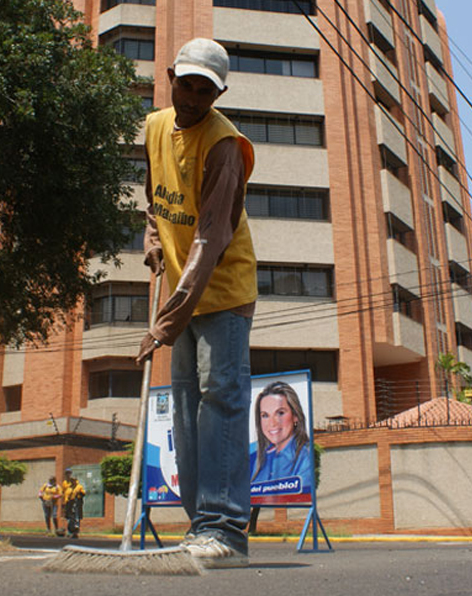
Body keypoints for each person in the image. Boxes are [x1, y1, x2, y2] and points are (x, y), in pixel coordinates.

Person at [135, 37, 256, 568]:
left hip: (222, 291)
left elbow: (210, 239)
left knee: (220, 400)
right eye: (186, 84)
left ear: (219, 92)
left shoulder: (225, 145)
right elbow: (154, 193)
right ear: (169, 77)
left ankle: (226, 529)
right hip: (183, 288)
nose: (192, 97)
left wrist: (165, 324)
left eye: (205, 89)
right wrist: (154, 239)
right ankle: (199, 527)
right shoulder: (155, 126)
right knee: (185, 408)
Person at [250, 382, 312, 486]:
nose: (272, 423)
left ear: (295, 416)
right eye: (265, 415)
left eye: (280, 413)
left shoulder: (306, 457)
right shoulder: (256, 458)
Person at [60, 469, 86, 538]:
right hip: (69, 503)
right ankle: (70, 530)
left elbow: (83, 493)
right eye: (71, 480)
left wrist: (79, 495)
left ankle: (75, 530)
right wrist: (64, 502)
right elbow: (64, 494)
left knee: (76, 516)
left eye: (73, 480)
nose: (72, 481)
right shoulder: (68, 487)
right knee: (69, 517)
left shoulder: (79, 486)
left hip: (76, 503)